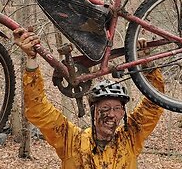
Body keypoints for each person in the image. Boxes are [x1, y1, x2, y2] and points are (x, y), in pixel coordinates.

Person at [13, 27, 164, 168]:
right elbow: (38, 110)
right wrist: (32, 60)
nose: (111, 114)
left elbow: (154, 103)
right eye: (105, 108)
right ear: (93, 110)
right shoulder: (71, 140)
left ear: (123, 113)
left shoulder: (130, 138)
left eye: (117, 108)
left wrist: (146, 62)